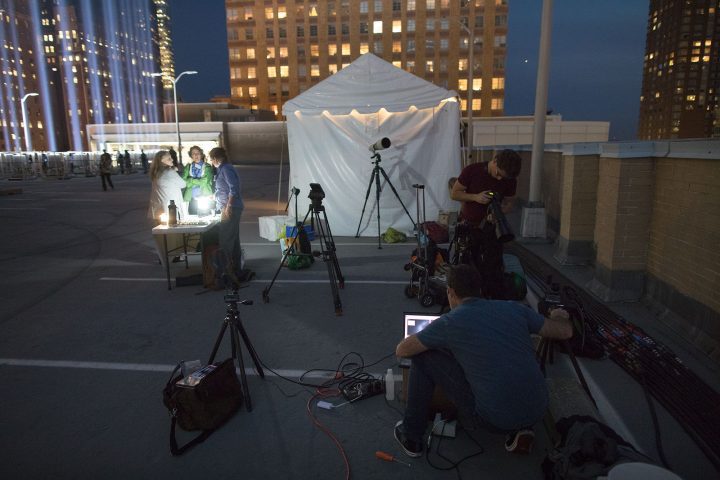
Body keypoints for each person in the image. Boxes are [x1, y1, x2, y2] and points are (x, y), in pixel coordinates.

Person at [394, 264, 572, 458]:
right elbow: (565, 331)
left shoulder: (450, 322)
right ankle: (521, 428)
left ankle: (411, 435)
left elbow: (402, 350)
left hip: (491, 420)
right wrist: (558, 315)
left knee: (422, 356)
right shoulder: (514, 308)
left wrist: (433, 342)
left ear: (450, 292)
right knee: (520, 355)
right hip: (537, 409)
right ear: (479, 289)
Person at [450, 149, 522, 299]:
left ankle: (491, 299)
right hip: (469, 227)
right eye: (498, 173)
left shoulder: (509, 179)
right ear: (494, 161)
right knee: (467, 269)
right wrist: (475, 197)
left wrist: (502, 210)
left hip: (492, 230)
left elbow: (510, 202)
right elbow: (455, 193)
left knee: (493, 268)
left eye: (504, 177)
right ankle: (467, 301)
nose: (500, 179)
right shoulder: (472, 170)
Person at [208, 146, 244, 285]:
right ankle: (236, 269)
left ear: (215, 159)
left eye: (211, 160)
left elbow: (233, 188)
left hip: (231, 208)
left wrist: (228, 206)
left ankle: (225, 273)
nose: (212, 163)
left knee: (225, 240)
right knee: (233, 240)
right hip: (229, 207)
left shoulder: (226, 169)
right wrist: (215, 196)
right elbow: (223, 189)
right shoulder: (223, 168)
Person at [147, 150, 187, 223]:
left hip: (159, 210)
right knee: (171, 232)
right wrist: (174, 171)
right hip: (170, 210)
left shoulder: (155, 173)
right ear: (162, 161)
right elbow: (183, 184)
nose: (172, 159)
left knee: (161, 231)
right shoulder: (169, 172)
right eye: (169, 159)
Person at [182, 146, 214, 215]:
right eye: (193, 153)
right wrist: (198, 181)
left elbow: (205, 182)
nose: (196, 155)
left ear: (201, 154)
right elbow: (184, 182)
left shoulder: (207, 167)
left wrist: (190, 180)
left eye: (198, 153)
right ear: (191, 155)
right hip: (191, 198)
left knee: (206, 217)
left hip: (205, 197)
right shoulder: (188, 167)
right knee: (192, 217)